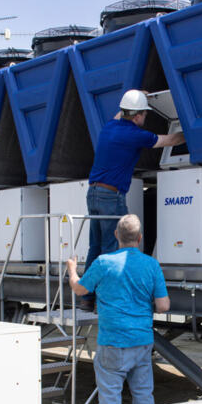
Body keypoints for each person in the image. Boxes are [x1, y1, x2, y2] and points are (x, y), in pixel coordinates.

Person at [66, 214, 169, 404]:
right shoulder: (152, 265)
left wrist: (72, 270)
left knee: (110, 400)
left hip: (112, 341)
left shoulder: (103, 262)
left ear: (116, 235)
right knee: (143, 395)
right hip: (142, 341)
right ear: (139, 238)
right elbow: (163, 305)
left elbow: (79, 289)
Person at [84, 89, 184, 272]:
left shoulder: (109, 127)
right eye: (145, 112)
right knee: (114, 248)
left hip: (93, 194)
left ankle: (86, 297)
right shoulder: (136, 135)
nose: (146, 116)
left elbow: (120, 114)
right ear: (137, 116)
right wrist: (193, 131)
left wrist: (137, 96)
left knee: (96, 247)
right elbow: (170, 140)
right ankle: (108, 296)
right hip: (111, 197)